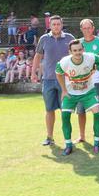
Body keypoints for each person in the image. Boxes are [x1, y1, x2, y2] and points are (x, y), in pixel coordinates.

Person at [31, 15, 75, 146]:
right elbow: (38, 57)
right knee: (49, 110)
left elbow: (78, 56)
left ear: (62, 25)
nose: (56, 26)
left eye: (58, 24)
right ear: (49, 26)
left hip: (65, 80)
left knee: (65, 111)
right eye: (53, 24)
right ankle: (49, 137)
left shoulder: (70, 38)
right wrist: (33, 72)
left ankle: (68, 139)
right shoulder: (44, 39)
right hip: (48, 80)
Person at [55, 39, 99, 155]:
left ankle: (97, 143)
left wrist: (98, 67)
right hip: (71, 94)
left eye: (79, 50)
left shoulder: (90, 57)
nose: (77, 52)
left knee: (98, 113)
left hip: (89, 92)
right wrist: (63, 90)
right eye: (75, 50)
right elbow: (58, 72)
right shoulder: (64, 62)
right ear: (70, 51)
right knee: (65, 116)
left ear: (83, 49)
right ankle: (68, 145)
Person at [78, 19, 99, 143]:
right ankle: (82, 136)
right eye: (84, 28)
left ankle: (98, 136)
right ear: (81, 29)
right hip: (81, 82)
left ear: (93, 28)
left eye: (89, 27)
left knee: (98, 110)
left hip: (97, 82)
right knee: (80, 110)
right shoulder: (77, 43)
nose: (87, 30)